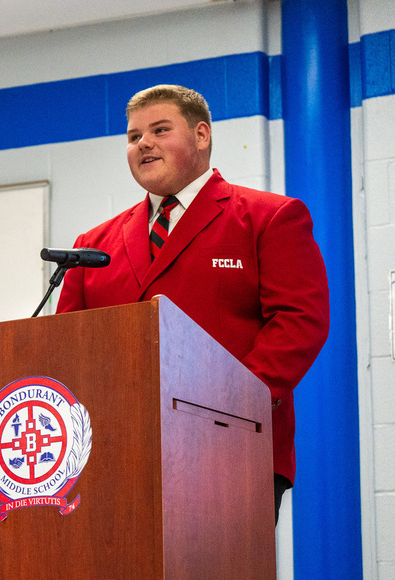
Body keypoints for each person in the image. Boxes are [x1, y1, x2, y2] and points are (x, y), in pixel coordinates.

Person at [55, 84, 329, 523]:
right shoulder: (92, 246)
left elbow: (301, 323)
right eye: (133, 136)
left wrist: (224, 405)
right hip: (113, 459)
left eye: (160, 130)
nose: (143, 143)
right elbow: (67, 348)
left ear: (201, 135)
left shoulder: (268, 217)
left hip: (230, 449)